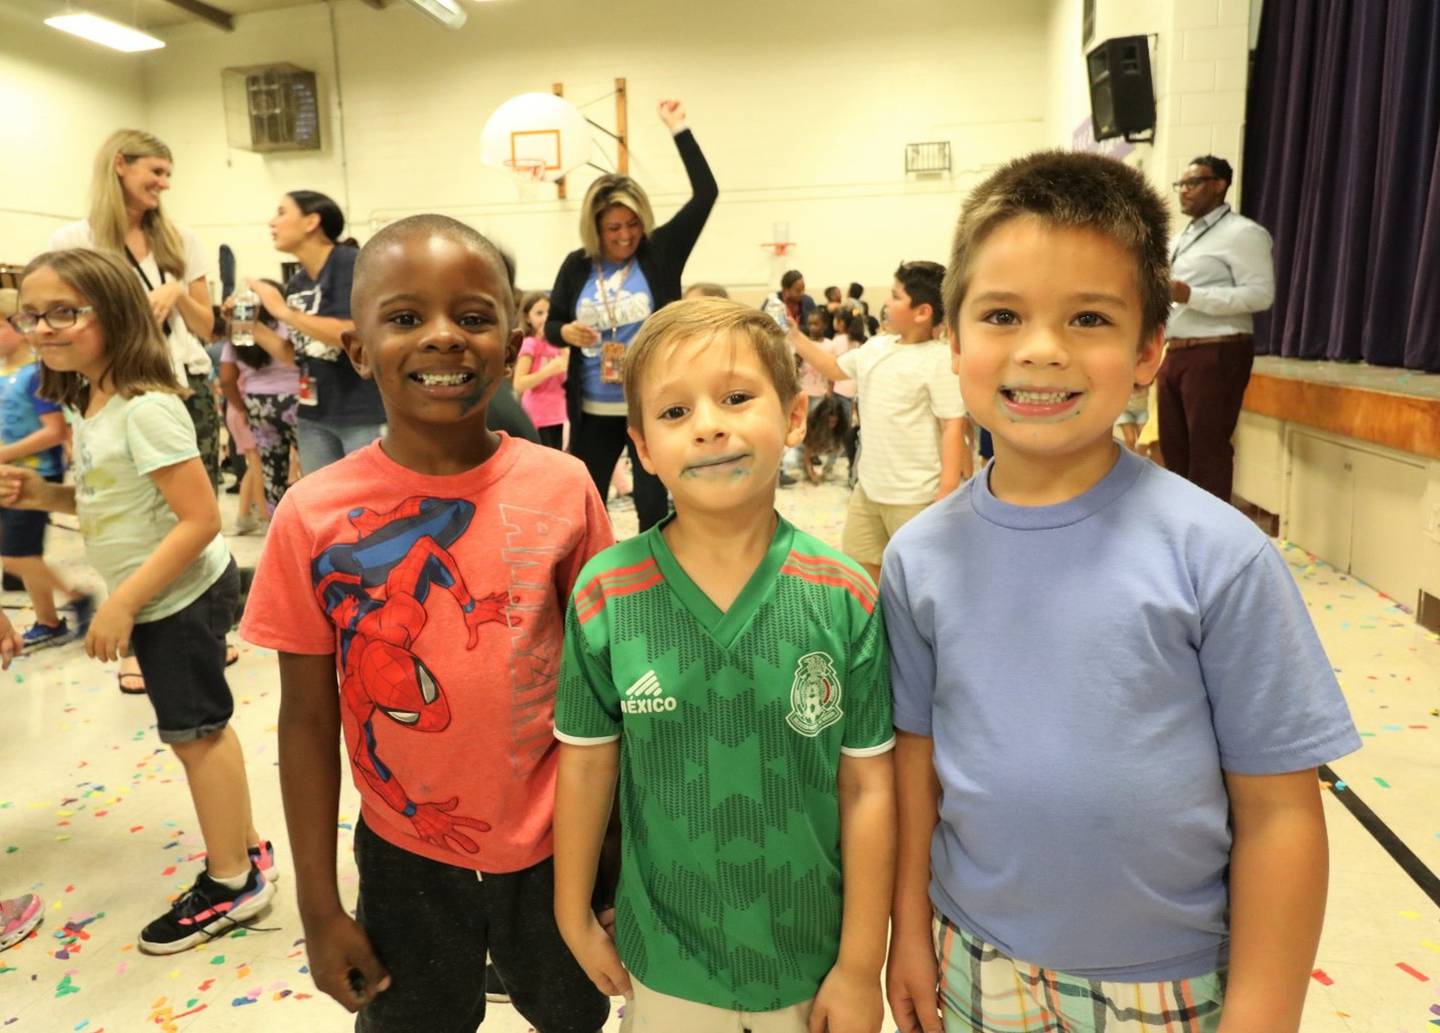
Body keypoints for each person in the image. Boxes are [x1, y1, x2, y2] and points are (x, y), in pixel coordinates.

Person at [883, 151, 1361, 1033]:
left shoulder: (1217, 555)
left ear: (1149, 351)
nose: (1041, 349)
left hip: (1171, 986)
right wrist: (907, 933)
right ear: (954, 341)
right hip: (972, 960)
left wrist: (1263, 1012)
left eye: (1089, 318)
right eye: (1001, 315)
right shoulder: (917, 557)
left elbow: (1279, 812)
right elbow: (915, 768)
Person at [241, 215, 613, 1032]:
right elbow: (306, 719)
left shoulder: (564, 486)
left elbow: (606, 693)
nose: (444, 338)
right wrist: (317, 905)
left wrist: (624, 867)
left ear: (513, 341)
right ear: (359, 348)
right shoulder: (312, 516)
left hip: (565, 843)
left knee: (573, 1016)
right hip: (407, 856)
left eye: (474, 317)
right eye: (407, 317)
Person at [553, 298, 895, 1033]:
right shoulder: (606, 594)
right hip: (667, 955)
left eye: (737, 398)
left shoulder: (845, 596)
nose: (709, 424)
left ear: (796, 416)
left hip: (812, 954)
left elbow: (868, 783)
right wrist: (571, 908)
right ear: (642, 447)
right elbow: (586, 766)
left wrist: (862, 963)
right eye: (675, 413)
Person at [3, 249, 277, 954]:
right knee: (196, 731)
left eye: (64, 311)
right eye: (30, 314)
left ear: (115, 315)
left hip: (175, 595)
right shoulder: (90, 399)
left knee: (197, 734)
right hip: (160, 593)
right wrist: (43, 495)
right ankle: (242, 843)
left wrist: (122, 600)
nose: (42, 327)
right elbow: (110, 503)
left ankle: (234, 880)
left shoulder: (145, 407)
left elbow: (200, 519)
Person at [546, 99, 718, 532]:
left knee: (651, 499)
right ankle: (593, 576)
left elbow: (706, 194)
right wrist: (566, 331)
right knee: (586, 500)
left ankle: (656, 578)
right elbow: (552, 326)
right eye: (613, 228)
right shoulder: (577, 265)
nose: (625, 235)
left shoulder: (659, 254)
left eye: (632, 224)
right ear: (596, 228)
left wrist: (679, 128)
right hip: (592, 409)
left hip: (649, 403)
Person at [49, 130, 221, 492]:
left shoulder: (181, 239)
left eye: (168, 175)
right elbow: (62, 318)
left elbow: (207, 327)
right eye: (156, 172)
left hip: (184, 384)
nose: (165, 184)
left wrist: (177, 292)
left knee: (197, 500)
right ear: (120, 165)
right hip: (113, 386)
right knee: (124, 494)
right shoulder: (74, 241)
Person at [789, 262, 969, 583]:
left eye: (895, 297)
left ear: (922, 312)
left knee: (915, 581)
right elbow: (833, 368)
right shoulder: (877, 347)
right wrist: (793, 336)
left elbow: (952, 427)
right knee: (861, 574)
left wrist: (946, 491)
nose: (887, 303)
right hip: (869, 491)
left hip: (915, 498)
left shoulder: (938, 361)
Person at [1157, 155, 1275, 502]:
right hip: (1175, 351)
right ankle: (1177, 530)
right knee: (1173, 449)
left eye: (1193, 183)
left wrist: (1192, 294)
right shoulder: (1180, 237)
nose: (1184, 192)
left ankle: (1211, 541)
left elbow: (1261, 295)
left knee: (1207, 450)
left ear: (1220, 185)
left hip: (1218, 349)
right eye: (1181, 185)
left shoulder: (1243, 234)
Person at [249, 190, 383, 474]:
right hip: (313, 414)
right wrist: (250, 326)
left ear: (311, 221)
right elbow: (294, 354)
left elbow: (355, 335)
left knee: (370, 505)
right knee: (323, 505)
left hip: (362, 412)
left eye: (282, 212)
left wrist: (283, 312)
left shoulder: (350, 262)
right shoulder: (297, 282)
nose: (272, 222)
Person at [0, 288, 89, 649]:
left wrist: (3, 454)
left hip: (35, 477)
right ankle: (49, 618)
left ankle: (68, 604)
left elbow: (55, 431)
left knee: (16, 555)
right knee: (21, 555)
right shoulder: (5, 373)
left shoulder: (35, 375)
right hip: (8, 477)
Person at [220, 279, 301, 526]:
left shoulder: (240, 329)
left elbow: (226, 379)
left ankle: (277, 530)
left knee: (270, 472)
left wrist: (243, 407)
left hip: (257, 404)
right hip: (297, 402)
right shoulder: (289, 324)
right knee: (311, 468)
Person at [512, 290, 568, 449]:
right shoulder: (529, 344)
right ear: (528, 318)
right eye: (539, 313)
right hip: (537, 416)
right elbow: (519, 384)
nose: (545, 317)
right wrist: (548, 371)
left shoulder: (557, 345)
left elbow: (566, 376)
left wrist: (561, 344)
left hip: (558, 416)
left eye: (549, 312)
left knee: (556, 461)